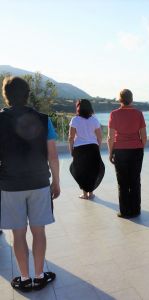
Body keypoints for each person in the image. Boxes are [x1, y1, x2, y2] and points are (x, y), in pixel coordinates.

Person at [0, 76, 60, 291]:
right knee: (38, 231)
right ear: (27, 94)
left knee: (17, 233)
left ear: (6, 96)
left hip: (10, 185)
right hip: (39, 182)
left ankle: (24, 278)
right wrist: (57, 182)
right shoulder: (43, 119)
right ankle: (39, 275)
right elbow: (53, 155)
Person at [108, 89, 146, 218]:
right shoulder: (139, 113)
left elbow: (110, 137)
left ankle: (124, 211)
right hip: (136, 150)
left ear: (120, 99)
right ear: (132, 99)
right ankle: (136, 210)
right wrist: (140, 147)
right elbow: (144, 136)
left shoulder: (114, 114)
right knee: (135, 180)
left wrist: (110, 152)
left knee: (122, 182)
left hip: (120, 151)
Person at [68, 99, 104, 200]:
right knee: (93, 170)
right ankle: (91, 193)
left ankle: (84, 193)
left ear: (78, 108)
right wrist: (98, 147)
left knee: (80, 171)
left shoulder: (75, 120)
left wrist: (71, 149)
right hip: (93, 148)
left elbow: (71, 137)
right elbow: (100, 137)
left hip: (79, 149)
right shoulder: (94, 120)